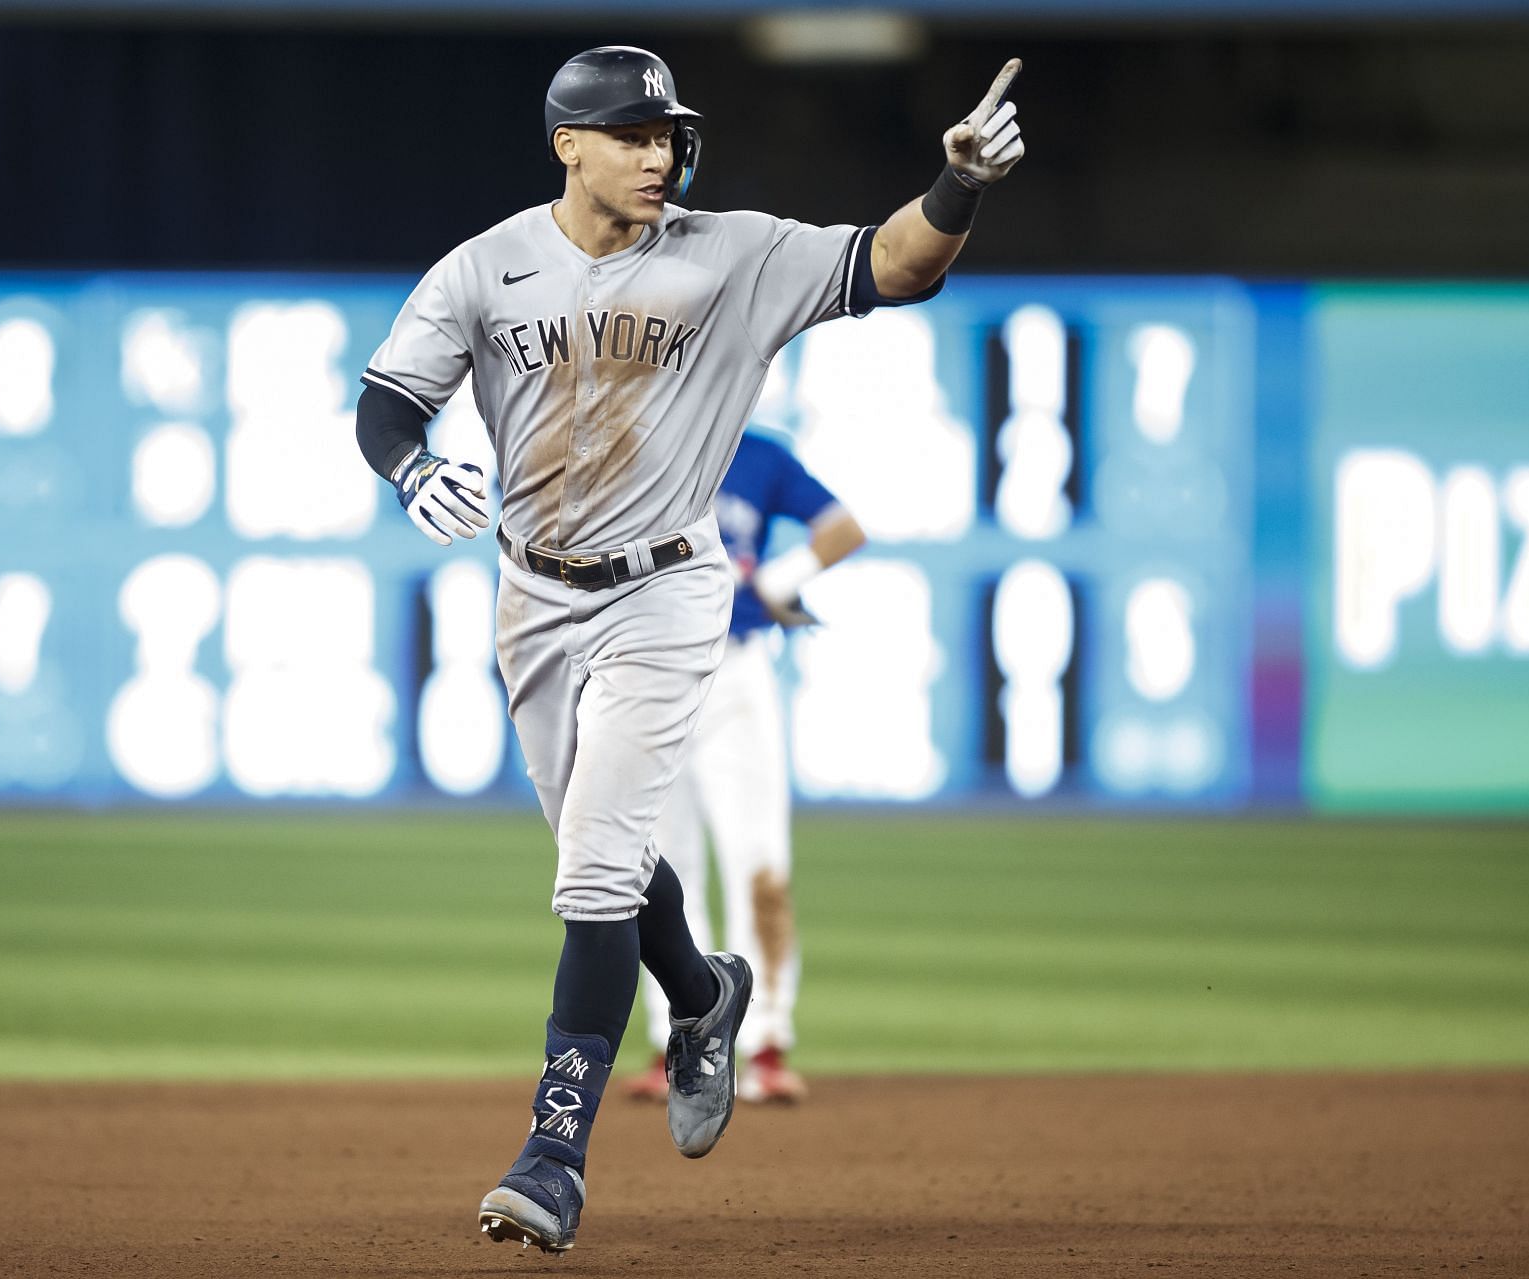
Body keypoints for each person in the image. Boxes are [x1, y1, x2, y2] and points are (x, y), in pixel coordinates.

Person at [353, 44, 1025, 1255]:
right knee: (594, 850)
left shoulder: (736, 254)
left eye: (669, 134)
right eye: (633, 133)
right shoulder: (486, 267)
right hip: (533, 601)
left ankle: (554, 1156)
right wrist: (411, 467)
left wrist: (957, 189)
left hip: (668, 598)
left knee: (594, 874)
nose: (661, 153)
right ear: (569, 145)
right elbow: (389, 399)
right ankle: (705, 987)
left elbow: (895, 264)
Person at [623, 427, 866, 1106]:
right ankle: (679, 1046)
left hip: (735, 672)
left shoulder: (757, 453)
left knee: (757, 861)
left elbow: (843, 528)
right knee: (655, 872)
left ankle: (764, 1044)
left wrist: (774, 582)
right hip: (647, 670)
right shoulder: (640, 437)